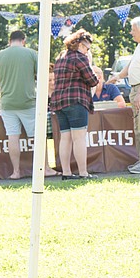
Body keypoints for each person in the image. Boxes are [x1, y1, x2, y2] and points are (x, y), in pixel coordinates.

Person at [0, 30, 59, 179]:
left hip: (8, 103)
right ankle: (45, 168)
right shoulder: (31, 53)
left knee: (12, 137)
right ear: (23, 40)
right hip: (28, 102)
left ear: (10, 41)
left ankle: (16, 172)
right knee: (38, 136)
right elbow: (42, 75)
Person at [107, 16, 140, 174]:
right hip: (137, 88)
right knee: (139, 126)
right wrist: (117, 77)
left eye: (134, 30)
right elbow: (132, 65)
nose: (131, 33)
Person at [50, 29, 100, 180]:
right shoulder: (80, 58)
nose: (87, 50)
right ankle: (83, 173)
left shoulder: (61, 57)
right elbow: (93, 81)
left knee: (65, 138)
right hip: (76, 101)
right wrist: (89, 63)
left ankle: (66, 173)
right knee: (79, 138)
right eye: (86, 47)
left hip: (59, 102)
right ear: (79, 44)